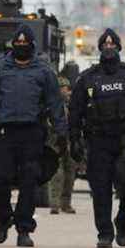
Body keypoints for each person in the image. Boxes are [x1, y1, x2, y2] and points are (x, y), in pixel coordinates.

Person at [0, 25, 67, 248]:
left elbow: (55, 104)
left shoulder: (44, 71)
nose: (21, 46)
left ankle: (24, 229)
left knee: (29, 181)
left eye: (25, 43)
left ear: (32, 45)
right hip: (4, 133)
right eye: (18, 43)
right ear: (13, 45)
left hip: (32, 133)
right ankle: (4, 218)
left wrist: (62, 132)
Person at [69, 28, 125, 248]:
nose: (109, 46)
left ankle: (123, 222)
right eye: (105, 44)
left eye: (112, 43)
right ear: (100, 48)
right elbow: (75, 111)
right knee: (100, 190)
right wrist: (75, 139)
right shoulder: (87, 79)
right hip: (99, 142)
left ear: (119, 47)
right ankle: (105, 233)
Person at [48, 74, 77, 215]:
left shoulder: (72, 104)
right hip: (54, 141)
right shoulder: (51, 104)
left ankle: (66, 203)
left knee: (70, 172)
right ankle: (55, 203)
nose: (66, 91)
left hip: (70, 141)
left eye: (66, 88)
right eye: (63, 88)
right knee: (57, 173)